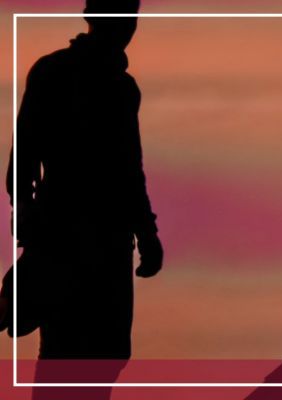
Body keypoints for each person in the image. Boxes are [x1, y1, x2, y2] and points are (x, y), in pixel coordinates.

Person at [1, 0, 162, 396]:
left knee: (103, 355)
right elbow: (24, 153)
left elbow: (129, 169)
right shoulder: (56, 73)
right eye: (122, 15)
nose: (128, 25)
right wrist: (24, 211)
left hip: (104, 244)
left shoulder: (123, 89)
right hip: (67, 239)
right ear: (97, 17)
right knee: (66, 355)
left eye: (131, 17)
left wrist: (147, 234)